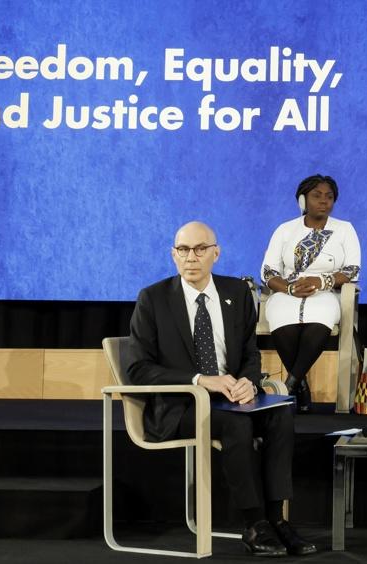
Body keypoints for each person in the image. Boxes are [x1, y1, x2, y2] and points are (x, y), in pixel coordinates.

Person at [127, 221, 316, 557]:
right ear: (173, 255)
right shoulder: (153, 299)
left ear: (216, 252)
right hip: (181, 407)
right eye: (183, 250)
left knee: (281, 413)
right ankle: (255, 524)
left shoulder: (237, 294)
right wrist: (200, 380)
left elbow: (249, 355)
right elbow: (138, 369)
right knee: (236, 423)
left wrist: (249, 381)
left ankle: (278, 521)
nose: (191, 258)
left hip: (233, 398)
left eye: (200, 249)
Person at [260, 174, 361, 413]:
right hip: (287, 291)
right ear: (302, 200)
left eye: (329, 197)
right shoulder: (285, 230)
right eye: (317, 196)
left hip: (325, 292)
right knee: (281, 317)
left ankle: (288, 386)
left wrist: (322, 281)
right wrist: (289, 288)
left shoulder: (345, 229)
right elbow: (268, 270)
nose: (324, 201)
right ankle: (300, 387)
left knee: (319, 320)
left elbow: (352, 269)